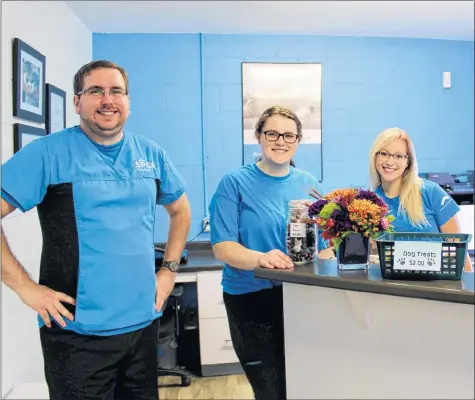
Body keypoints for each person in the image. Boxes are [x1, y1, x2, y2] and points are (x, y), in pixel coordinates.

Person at [1, 60, 191, 399]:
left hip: (142, 327)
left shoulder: (151, 154)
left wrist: (169, 270)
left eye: (116, 91)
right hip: (76, 336)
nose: (108, 100)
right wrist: (26, 288)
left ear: (128, 101)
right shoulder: (48, 153)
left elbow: (180, 211)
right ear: (77, 102)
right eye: (95, 91)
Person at [208, 105, 332, 400]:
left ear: (299, 140)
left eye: (289, 135)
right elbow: (222, 246)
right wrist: (260, 259)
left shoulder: (309, 184)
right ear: (258, 137)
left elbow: (324, 248)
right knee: (270, 390)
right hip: (251, 300)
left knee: (303, 385)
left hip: (301, 297)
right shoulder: (234, 183)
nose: (281, 141)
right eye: (272, 133)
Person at [369, 127, 472, 271]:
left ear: (408, 162)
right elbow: (374, 256)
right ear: (375, 156)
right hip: (392, 288)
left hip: (437, 287)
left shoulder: (431, 192)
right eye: (384, 153)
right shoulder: (370, 203)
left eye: (398, 156)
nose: (390, 161)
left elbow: (459, 252)